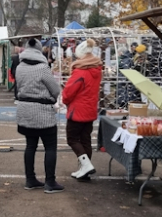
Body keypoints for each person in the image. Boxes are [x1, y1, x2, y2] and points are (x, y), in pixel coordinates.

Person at [15, 38, 63, 193]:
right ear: (39, 50)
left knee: (30, 146)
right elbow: (55, 90)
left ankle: (30, 179)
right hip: (43, 113)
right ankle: (50, 182)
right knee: (50, 147)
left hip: (24, 111)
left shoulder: (19, 67)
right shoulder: (43, 68)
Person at [62, 39, 103, 181]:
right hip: (90, 109)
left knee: (72, 139)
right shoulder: (96, 69)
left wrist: (64, 100)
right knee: (85, 139)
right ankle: (85, 170)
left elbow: (68, 92)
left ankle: (86, 166)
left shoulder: (80, 71)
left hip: (77, 110)